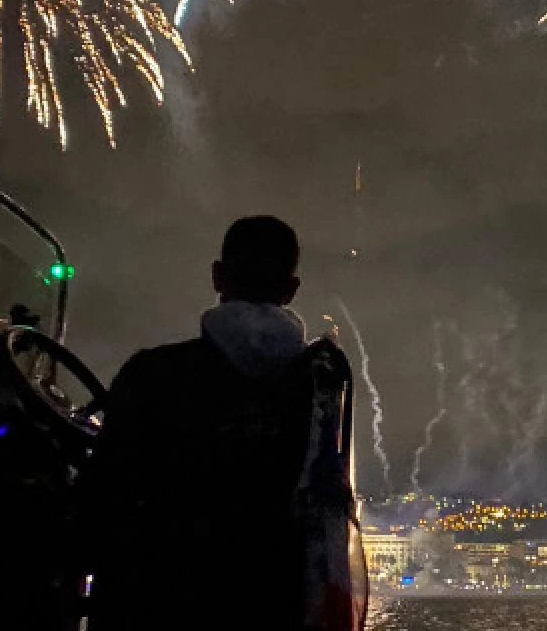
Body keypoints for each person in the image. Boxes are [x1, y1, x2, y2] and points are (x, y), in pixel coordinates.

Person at [85, 216, 349, 630]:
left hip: (160, 605)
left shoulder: (151, 374)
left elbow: (99, 507)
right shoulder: (321, 387)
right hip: (273, 607)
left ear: (217, 276)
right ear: (291, 290)